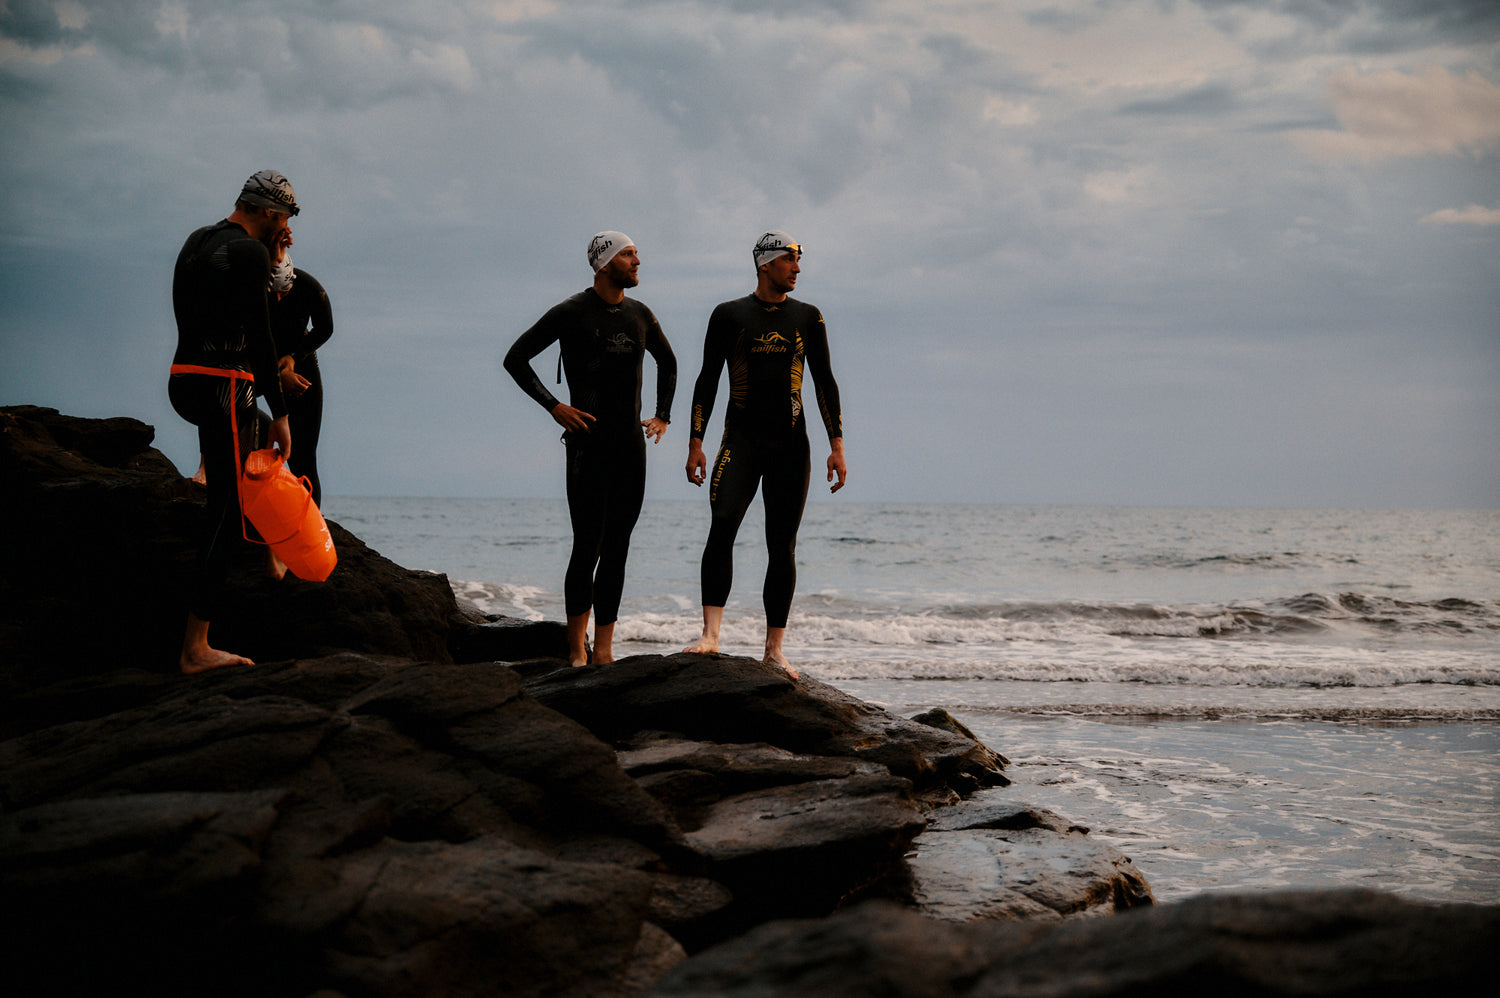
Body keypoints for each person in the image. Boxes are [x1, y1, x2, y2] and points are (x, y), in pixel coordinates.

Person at [504, 231, 677, 666]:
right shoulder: (571, 312)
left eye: (637, 252)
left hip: (630, 447)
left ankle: (604, 651)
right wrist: (554, 406)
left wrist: (662, 416)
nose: (638, 260)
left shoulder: (640, 314)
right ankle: (575, 651)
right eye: (629, 254)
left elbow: (668, 361)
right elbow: (515, 358)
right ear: (604, 264)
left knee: (618, 546)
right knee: (588, 545)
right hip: (587, 446)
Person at [683, 231, 846, 679]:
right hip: (740, 443)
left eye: (798, 261)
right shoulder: (728, 315)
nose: (797, 268)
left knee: (782, 545)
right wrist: (696, 443)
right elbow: (706, 382)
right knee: (721, 528)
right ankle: (711, 636)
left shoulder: (808, 318)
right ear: (766, 264)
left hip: (791, 447)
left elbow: (824, 383)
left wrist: (837, 446)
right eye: (790, 261)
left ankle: (774, 650)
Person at [168, 168, 299, 674]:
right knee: (224, 514)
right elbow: (262, 336)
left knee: (245, 463)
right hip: (223, 382)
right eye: (283, 216)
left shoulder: (198, 240)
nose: (284, 224)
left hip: (185, 377)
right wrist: (282, 414)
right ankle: (195, 649)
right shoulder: (248, 252)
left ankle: (271, 549)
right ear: (268, 211)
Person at [267, 227, 334, 506]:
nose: (280, 299)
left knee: (304, 457)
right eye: (275, 295)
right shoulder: (248, 292)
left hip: (300, 361)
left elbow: (325, 328)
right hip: (258, 362)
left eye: (285, 292)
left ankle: (309, 524)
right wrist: (278, 374)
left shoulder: (306, 285)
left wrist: (294, 357)